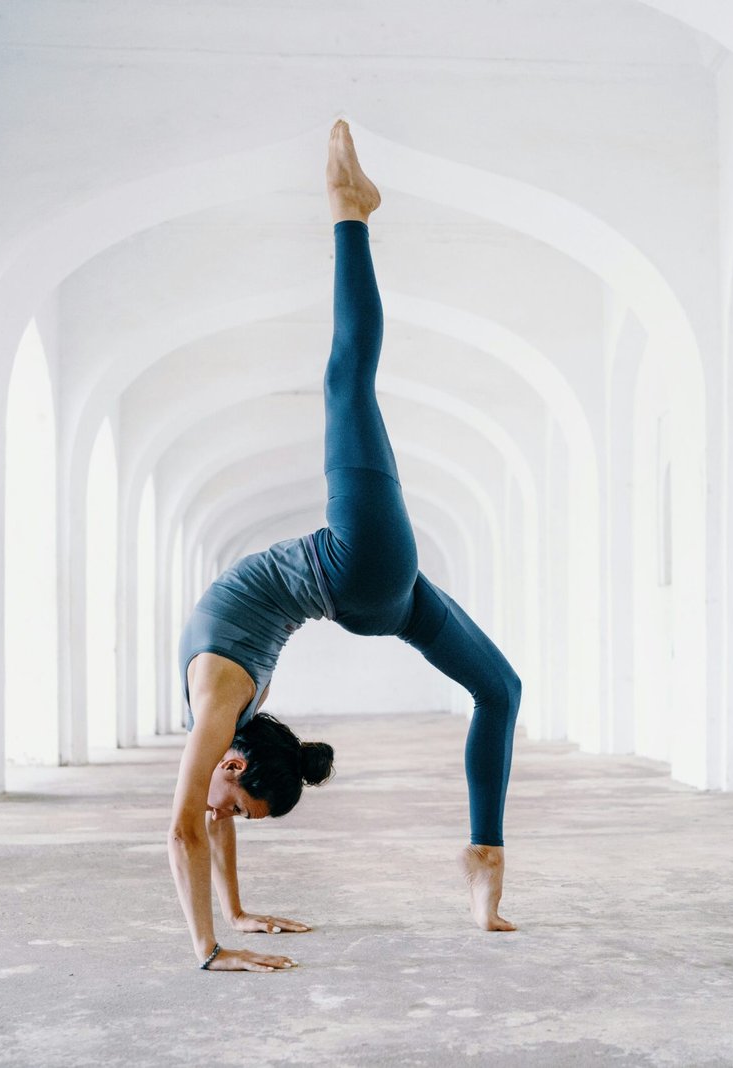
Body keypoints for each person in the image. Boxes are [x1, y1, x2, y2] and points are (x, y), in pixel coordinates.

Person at [167, 119, 523, 973]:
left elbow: (183, 824)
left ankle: (348, 211)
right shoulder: (228, 729)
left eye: (238, 808)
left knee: (501, 689)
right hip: (364, 576)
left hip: (364, 575)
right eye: (244, 810)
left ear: (236, 759)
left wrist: (215, 944)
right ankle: (348, 212)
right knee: (346, 382)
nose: (227, 816)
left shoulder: (219, 705)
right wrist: (234, 919)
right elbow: (209, 816)